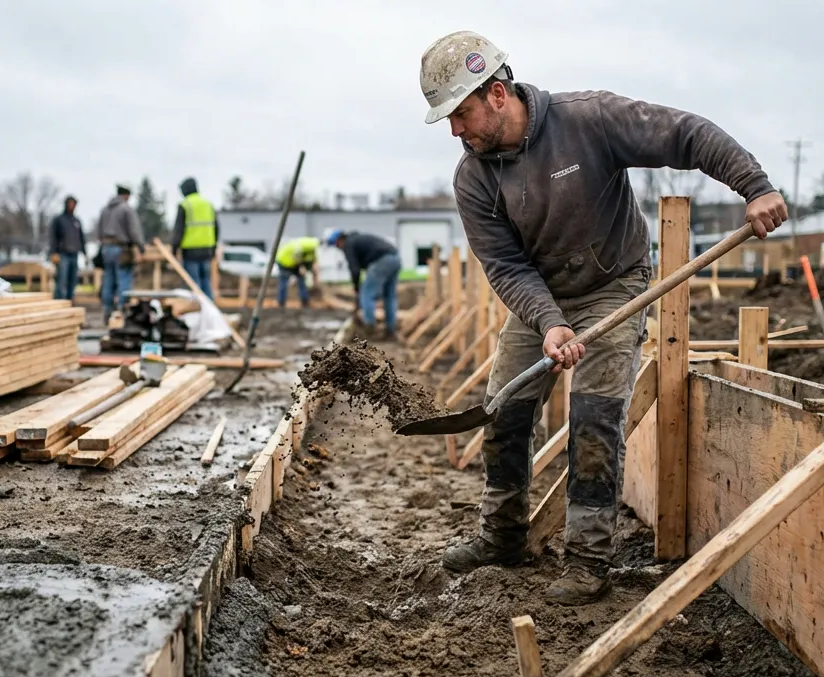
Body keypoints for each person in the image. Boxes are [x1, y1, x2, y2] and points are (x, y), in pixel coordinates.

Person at [420, 31, 788, 605]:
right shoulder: (474, 177)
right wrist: (548, 323)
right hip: (539, 296)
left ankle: (588, 560)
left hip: (614, 285)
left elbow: (683, 134)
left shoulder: (586, 120)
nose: (455, 131)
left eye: (461, 114)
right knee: (505, 412)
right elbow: (506, 266)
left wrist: (754, 185)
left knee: (594, 418)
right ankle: (503, 535)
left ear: (496, 93)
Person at [326, 228, 401, 338]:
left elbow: (355, 270)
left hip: (382, 261)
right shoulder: (357, 240)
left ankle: (369, 328)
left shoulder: (349, 244)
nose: (338, 248)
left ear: (339, 241)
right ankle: (390, 329)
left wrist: (357, 288)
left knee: (366, 293)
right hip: (395, 259)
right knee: (389, 296)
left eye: (337, 245)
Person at [96, 184, 144, 322]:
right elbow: (134, 231)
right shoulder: (126, 209)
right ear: (127, 195)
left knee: (108, 280)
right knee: (124, 279)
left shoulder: (105, 209)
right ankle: (122, 310)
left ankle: (107, 310)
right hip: (121, 248)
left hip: (106, 248)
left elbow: (99, 231)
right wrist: (140, 247)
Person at [169, 177, 218, 297]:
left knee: (192, 283)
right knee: (205, 280)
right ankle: (209, 309)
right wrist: (214, 248)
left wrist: (174, 250)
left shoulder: (185, 205)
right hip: (207, 249)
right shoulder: (208, 204)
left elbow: (178, 230)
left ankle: (197, 309)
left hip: (190, 251)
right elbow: (216, 228)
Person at [50, 195, 86, 301]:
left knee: (72, 279)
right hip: (63, 254)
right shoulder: (59, 220)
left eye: (73, 204)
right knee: (62, 278)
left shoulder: (76, 221)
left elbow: (81, 237)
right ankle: (60, 300)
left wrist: (84, 252)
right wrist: (54, 252)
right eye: (70, 204)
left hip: (74, 254)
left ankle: (69, 299)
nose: (72, 206)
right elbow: (53, 237)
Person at [275, 236, 318, 307]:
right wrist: (302, 269)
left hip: (294, 264)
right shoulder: (298, 249)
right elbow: (298, 260)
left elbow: (310, 262)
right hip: (284, 263)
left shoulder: (309, 250)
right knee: (284, 281)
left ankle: (305, 301)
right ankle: (281, 302)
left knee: (301, 281)